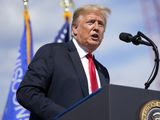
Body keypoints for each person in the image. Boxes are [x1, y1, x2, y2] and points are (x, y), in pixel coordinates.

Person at [16, 4, 111, 120]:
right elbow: (27, 93)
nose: (96, 27)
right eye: (91, 22)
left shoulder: (103, 72)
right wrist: (65, 116)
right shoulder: (52, 52)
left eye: (101, 24)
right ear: (74, 29)